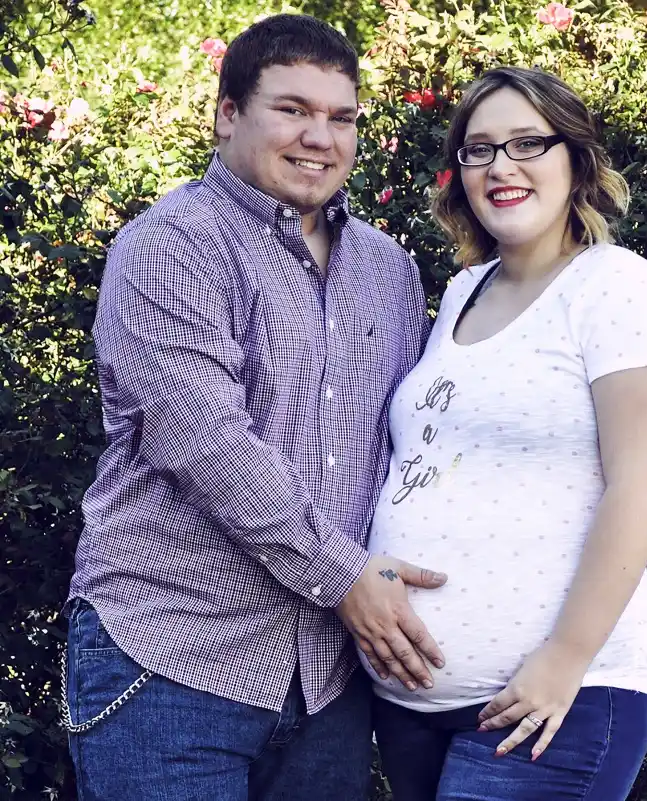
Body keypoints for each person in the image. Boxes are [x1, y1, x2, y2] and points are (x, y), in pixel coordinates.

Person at [63, 14, 450, 801]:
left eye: (341, 118)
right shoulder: (171, 246)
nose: (321, 137)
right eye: (293, 110)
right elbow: (206, 441)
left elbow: (420, 445)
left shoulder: (388, 269)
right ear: (227, 113)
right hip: (171, 656)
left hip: (330, 682)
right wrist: (350, 579)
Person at [363, 66, 647, 801]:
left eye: (526, 143)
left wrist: (565, 655)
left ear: (575, 159)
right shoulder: (460, 293)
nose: (501, 167)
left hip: (553, 701)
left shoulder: (615, 286)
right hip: (413, 711)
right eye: (478, 150)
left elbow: (643, 485)